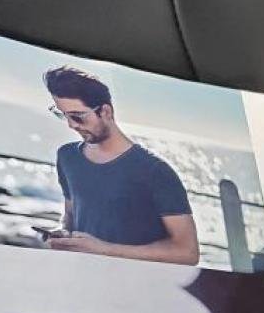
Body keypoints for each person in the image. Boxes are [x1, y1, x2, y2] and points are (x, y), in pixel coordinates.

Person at [39, 65, 201, 265]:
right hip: (82, 275)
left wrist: (104, 250)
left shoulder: (155, 171)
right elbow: (71, 216)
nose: (71, 125)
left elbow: (187, 253)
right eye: (63, 115)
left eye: (77, 116)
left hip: (135, 281)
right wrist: (64, 234)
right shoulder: (67, 157)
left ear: (106, 111)